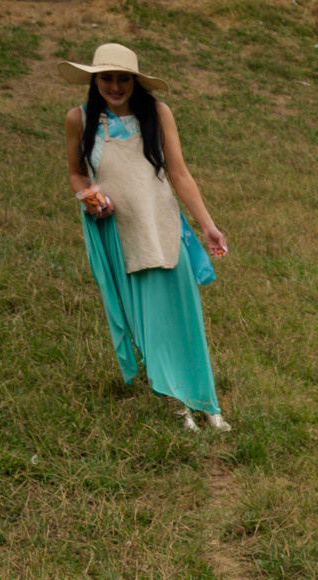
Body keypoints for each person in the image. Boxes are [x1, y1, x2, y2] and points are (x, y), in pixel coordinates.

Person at [60, 43, 229, 431]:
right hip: (119, 235)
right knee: (149, 322)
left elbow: (179, 173)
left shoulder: (157, 112)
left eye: (123, 78)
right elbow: (76, 172)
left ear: (135, 81)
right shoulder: (78, 119)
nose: (115, 86)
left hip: (164, 226)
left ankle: (207, 403)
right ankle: (177, 404)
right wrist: (87, 196)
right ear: (94, 80)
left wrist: (207, 224)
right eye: (106, 78)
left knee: (186, 317)